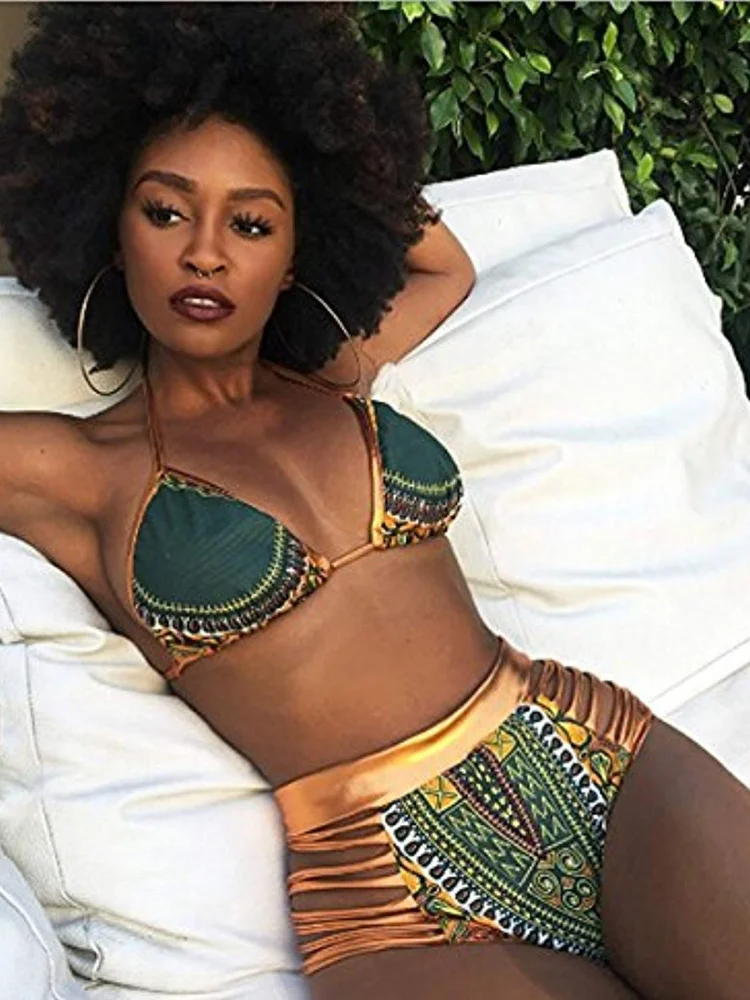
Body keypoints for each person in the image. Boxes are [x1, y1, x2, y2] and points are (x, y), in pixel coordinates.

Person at [0, 5, 747, 1000]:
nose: (206, 253)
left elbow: (445, 264)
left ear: (296, 252)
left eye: (252, 222)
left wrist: (337, 152)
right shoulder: (75, 469)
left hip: (585, 755)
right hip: (387, 893)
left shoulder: (334, 374)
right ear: (107, 222)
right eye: (166, 211)